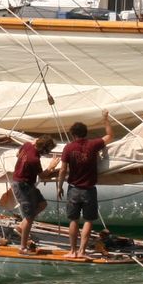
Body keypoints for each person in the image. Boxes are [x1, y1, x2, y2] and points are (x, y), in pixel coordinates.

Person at [57, 111, 113, 259]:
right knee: (88, 220)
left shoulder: (68, 148)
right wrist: (106, 119)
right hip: (89, 189)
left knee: (73, 220)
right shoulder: (93, 144)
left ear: (73, 135)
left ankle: (73, 251)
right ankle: (82, 251)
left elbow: (63, 170)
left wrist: (59, 186)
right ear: (85, 133)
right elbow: (109, 136)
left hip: (74, 189)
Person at [12, 136, 55, 254]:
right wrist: (51, 167)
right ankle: (23, 247)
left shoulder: (27, 145)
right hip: (23, 186)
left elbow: (17, 155)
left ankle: (22, 225)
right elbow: (42, 175)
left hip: (25, 183)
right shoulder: (34, 160)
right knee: (30, 218)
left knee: (42, 204)